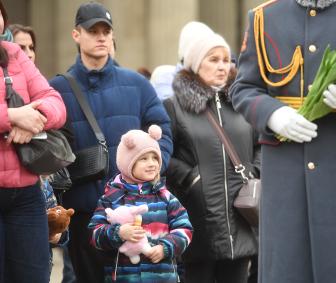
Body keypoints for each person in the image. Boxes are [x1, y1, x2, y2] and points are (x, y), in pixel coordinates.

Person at [230, 1, 336, 282]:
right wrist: (274, 115)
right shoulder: (264, 17)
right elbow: (243, 87)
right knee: (286, 267)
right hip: (286, 169)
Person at [48, 2, 173, 283]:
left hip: (137, 212)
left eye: (106, 30)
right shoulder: (56, 89)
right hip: (83, 214)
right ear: (76, 35)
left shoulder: (138, 85)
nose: (101, 37)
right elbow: (49, 147)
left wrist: (154, 166)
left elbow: (163, 129)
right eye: (93, 31)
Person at [163, 32, 259, 283]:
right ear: (195, 64)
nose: (222, 66)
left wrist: (254, 172)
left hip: (242, 220)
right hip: (198, 221)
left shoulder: (243, 103)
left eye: (226, 60)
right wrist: (190, 178)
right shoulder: (174, 107)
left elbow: (262, 145)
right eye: (213, 59)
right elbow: (162, 154)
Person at [0, 0, 67, 282]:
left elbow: (55, 102)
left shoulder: (14, 54)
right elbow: (15, 115)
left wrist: (34, 118)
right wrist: (13, 116)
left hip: (25, 193)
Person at [88, 126, 193, 282]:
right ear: (127, 163)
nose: (151, 163)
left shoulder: (166, 197)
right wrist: (118, 233)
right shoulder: (111, 198)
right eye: (143, 159)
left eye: (155, 158)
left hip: (162, 277)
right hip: (124, 277)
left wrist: (166, 247)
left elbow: (184, 228)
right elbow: (94, 234)